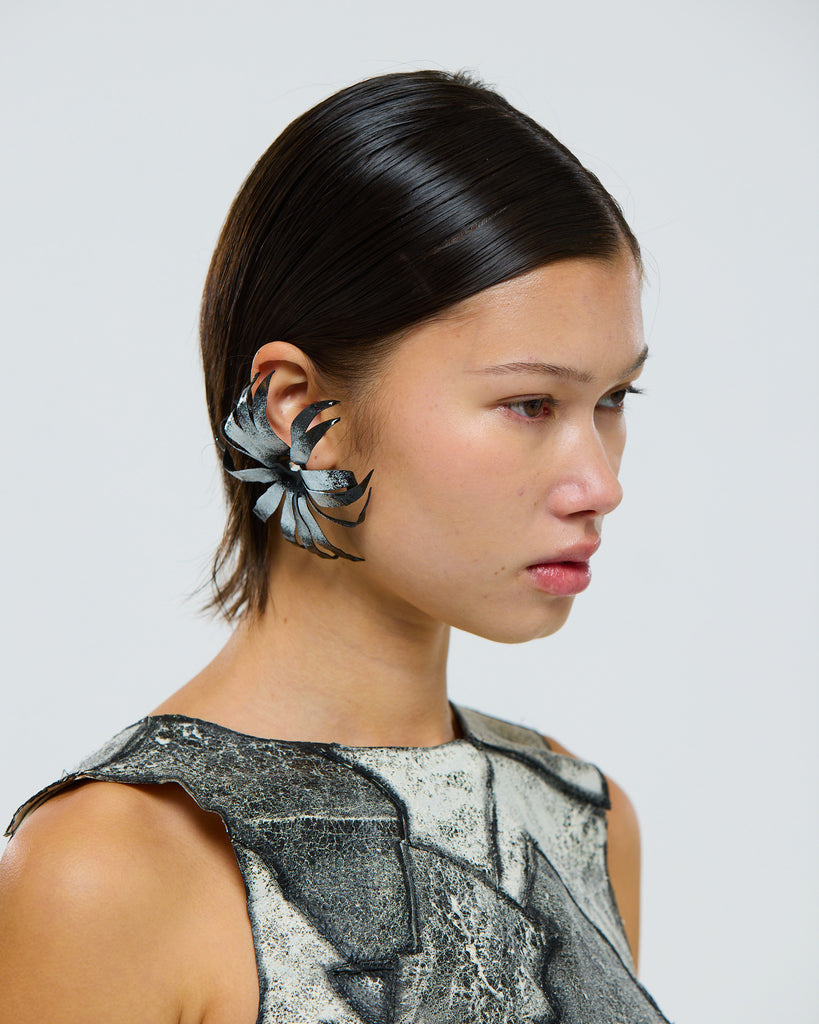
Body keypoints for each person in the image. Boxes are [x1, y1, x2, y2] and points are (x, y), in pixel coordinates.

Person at [0, 70, 669, 1023]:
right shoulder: (111, 869)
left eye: (610, 402)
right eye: (530, 404)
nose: (599, 482)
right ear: (304, 410)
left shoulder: (580, 820)